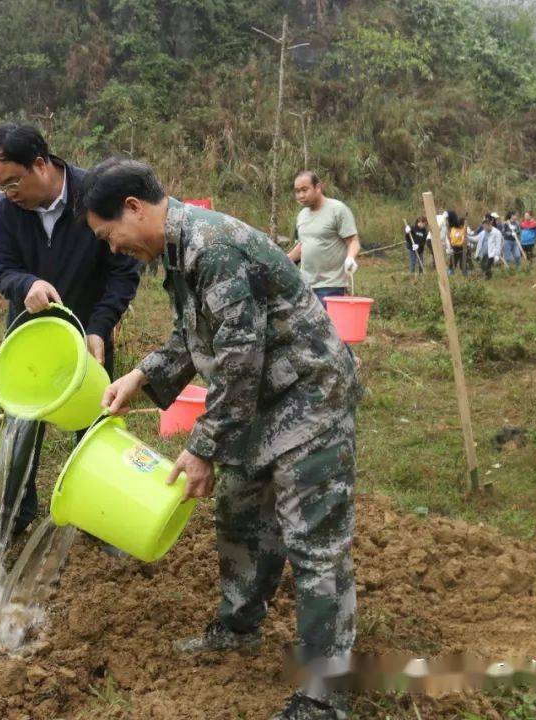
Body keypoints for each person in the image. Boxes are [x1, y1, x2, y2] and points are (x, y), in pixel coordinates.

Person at [83, 158, 360, 720]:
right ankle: (238, 627)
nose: (112, 248)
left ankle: (325, 695)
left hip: (309, 400)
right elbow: (197, 333)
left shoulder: (212, 248)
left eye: (108, 234)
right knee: (241, 518)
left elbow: (238, 361)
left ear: (134, 210)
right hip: (260, 402)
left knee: (314, 544)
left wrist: (203, 446)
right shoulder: (182, 253)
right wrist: (141, 376)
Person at [0, 124, 140, 539]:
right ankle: (13, 519)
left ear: (41, 164)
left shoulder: (95, 194)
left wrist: (99, 328)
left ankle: (97, 520)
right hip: (32, 340)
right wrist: (26, 285)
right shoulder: (2, 208)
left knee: (94, 426)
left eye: (13, 181)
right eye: (0, 185)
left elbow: (123, 271)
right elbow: (2, 269)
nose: (7, 191)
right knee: (20, 428)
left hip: (89, 333)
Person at [287, 172, 361, 306]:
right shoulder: (301, 216)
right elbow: (301, 247)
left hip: (330, 286)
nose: (301, 195)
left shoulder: (338, 210)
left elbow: (353, 241)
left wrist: (350, 258)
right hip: (305, 284)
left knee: (326, 326)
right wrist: (282, 260)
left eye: (305, 190)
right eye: (297, 191)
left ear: (318, 187)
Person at [469, 215, 503, 280]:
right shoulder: (483, 232)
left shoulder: (497, 233)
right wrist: (467, 237)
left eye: (485, 227)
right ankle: (487, 279)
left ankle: (487, 280)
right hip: (483, 254)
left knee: (487, 267)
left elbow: (498, 246)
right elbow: (476, 239)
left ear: (489, 225)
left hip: (491, 254)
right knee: (483, 268)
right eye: (483, 227)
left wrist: (496, 256)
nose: (484, 228)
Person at [446, 210, 468, 276]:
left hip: (461, 248)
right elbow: (450, 238)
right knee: (452, 262)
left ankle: (465, 275)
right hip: (454, 248)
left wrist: (462, 243)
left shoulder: (464, 230)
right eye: (463, 224)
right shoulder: (453, 229)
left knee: (463, 263)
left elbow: (464, 239)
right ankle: (450, 274)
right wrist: (451, 245)